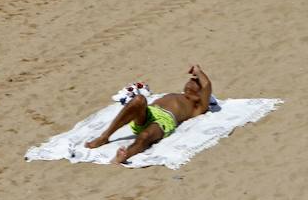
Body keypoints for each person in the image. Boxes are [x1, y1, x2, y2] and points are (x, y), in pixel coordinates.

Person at [85, 65, 213, 164]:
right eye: (192, 79)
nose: (192, 79)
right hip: (150, 111)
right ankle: (104, 137)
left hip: (165, 121)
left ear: (199, 93)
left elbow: (207, 85)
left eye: (196, 81)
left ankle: (124, 155)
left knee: (145, 135)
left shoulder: (197, 106)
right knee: (139, 100)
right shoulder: (179, 95)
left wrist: (198, 70)